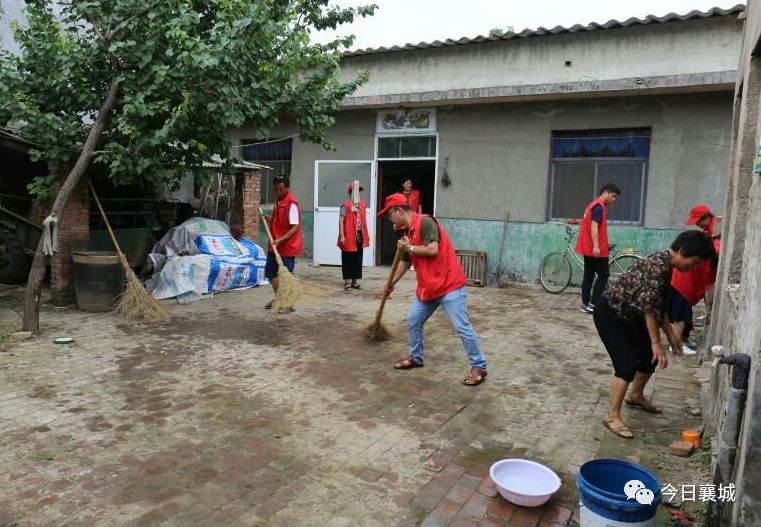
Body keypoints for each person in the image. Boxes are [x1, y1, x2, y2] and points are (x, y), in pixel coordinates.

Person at [593, 230, 716, 439]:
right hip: (611, 314)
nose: (693, 267)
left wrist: (671, 336)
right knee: (626, 364)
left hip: (634, 315)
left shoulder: (668, 266)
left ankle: (636, 395)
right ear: (682, 251)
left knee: (650, 357)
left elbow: (660, 307)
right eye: (694, 262)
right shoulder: (657, 266)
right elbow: (650, 308)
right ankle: (612, 415)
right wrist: (657, 341)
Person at [378, 193, 488, 386]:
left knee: (461, 326)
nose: (389, 220)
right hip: (428, 288)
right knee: (413, 319)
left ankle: (479, 366)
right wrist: (391, 283)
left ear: (399, 211)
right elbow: (405, 261)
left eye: (390, 215)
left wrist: (410, 247)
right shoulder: (408, 232)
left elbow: (432, 250)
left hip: (449, 285)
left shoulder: (426, 223)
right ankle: (416, 357)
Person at [669, 204, 721, 355]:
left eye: (698, 221)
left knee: (684, 312)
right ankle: (676, 344)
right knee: (681, 313)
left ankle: (682, 340)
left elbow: (716, 249)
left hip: (687, 279)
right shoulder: (706, 235)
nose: (697, 225)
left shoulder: (714, 232)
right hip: (684, 280)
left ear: (707, 217)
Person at [576, 183, 621, 314]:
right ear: (606, 193)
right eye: (613, 196)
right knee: (604, 274)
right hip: (595, 250)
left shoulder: (593, 205)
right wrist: (596, 246)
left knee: (589, 275)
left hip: (587, 248)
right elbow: (594, 226)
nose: (614, 200)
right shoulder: (598, 207)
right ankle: (593, 304)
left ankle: (585, 304)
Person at [263, 175, 303, 314]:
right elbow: (279, 221)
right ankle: (279, 298)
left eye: (280, 189)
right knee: (271, 274)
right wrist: (269, 219)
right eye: (276, 190)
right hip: (274, 245)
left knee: (285, 277)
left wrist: (281, 239)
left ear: (287, 187)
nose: (278, 192)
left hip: (286, 246)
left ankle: (289, 304)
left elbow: (294, 226)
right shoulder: (279, 201)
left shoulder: (291, 203)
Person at [338, 182, 370, 290]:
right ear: (350, 193)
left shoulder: (362, 205)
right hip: (348, 234)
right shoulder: (345, 205)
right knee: (348, 257)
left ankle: (354, 280)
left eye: (359, 192)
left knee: (358, 256)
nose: (357, 194)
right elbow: (341, 220)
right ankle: (347, 280)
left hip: (359, 235)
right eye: (355, 192)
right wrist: (342, 235)